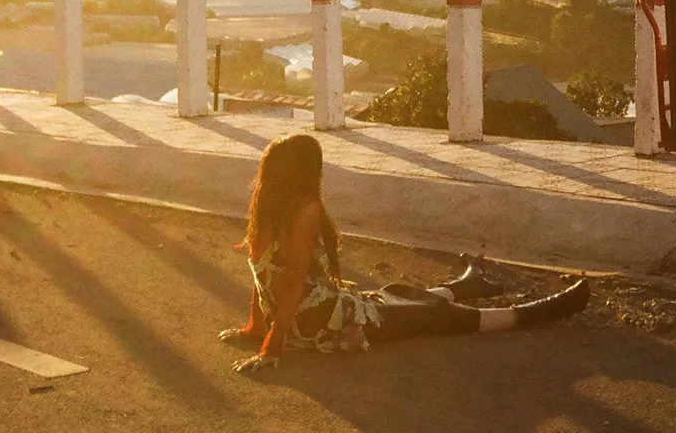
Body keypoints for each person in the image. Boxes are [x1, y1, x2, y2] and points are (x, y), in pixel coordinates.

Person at [220, 134, 590, 373]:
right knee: (437, 317)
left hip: (320, 314)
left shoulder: (266, 211)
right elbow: (291, 276)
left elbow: (264, 275)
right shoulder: (302, 211)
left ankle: (469, 282)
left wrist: (259, 326)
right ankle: (537, 311)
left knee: (396, 293)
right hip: (327, 323)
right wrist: (270, 341)